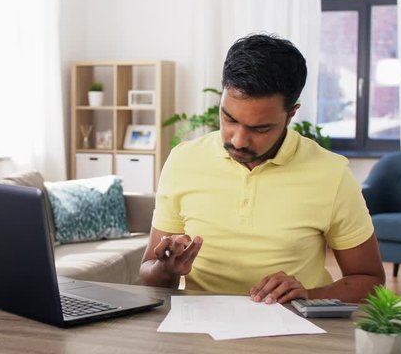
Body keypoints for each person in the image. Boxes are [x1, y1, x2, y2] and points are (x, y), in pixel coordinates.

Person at [139, 33, 385, 304]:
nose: (238, 140)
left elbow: (370, 281)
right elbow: (149, 272)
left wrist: (306, 295)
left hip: (292, 333)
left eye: (260, 128)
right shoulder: (183, 161)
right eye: (228, 118)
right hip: (200, 331)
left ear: (291, 114)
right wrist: (166, 269)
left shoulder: (331, 174)